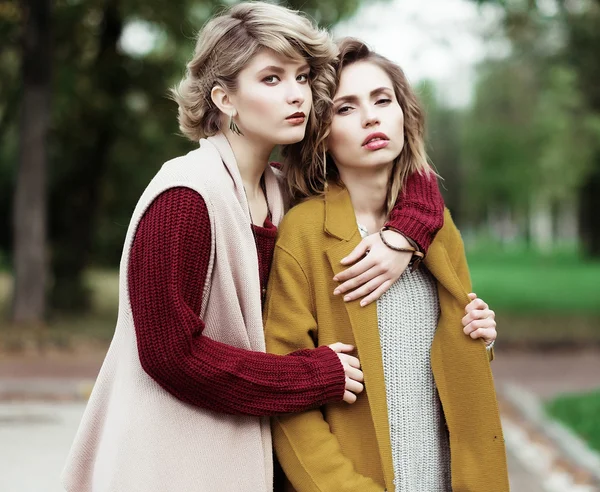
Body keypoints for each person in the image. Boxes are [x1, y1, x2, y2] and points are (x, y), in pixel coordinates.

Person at [61, 4, 446, 491]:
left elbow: (405, 171)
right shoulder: (184, 197)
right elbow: (168, 355)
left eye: (302, 77)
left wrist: (403, 236)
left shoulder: (285, 190)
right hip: (165, 461)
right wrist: (308, 377)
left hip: (244, 456)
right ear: (224, 97)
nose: (296, 95)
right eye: (271, 79)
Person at [264, 38, 509, 492]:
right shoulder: (304, 233)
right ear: (321, 131)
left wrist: (479, 338)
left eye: (382, 100)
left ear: (404, 115)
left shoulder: (438, 227)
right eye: (346, 108)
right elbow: (288, 397)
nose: (371, 117)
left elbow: (446, 355)